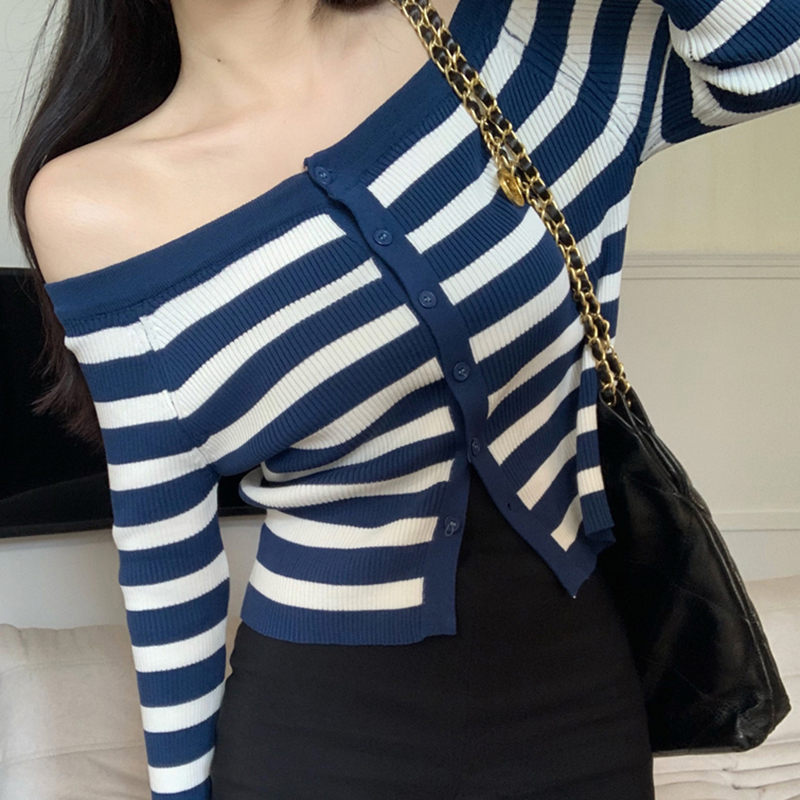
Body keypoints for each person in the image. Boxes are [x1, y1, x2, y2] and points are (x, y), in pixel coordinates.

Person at [11, 0, 800, 797]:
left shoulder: (507, 38)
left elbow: (774, 56)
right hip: (316, 741)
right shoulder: (90, 203)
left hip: (581, 706)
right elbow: (165, 548)